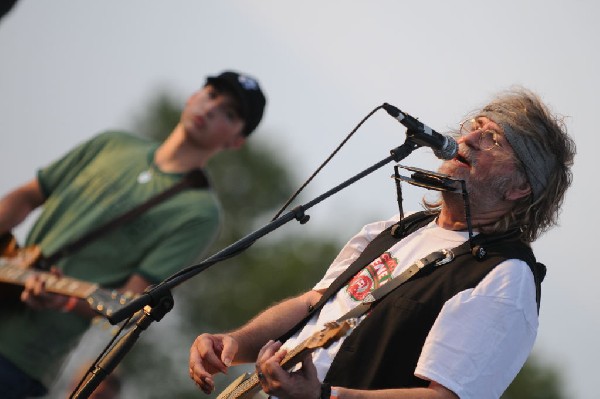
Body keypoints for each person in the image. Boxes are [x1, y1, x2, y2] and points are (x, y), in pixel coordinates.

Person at [189, 87, 575, 399]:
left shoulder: (505, 278)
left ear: (521, 186)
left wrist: (323, 397)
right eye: (473, 126)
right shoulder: (396, 229)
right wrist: (233, 343)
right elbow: (314, 302)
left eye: (493, 139)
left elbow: (445, 398)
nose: (467, 139)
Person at [0, 70, 266, 398]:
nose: (211, 109)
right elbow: (27, 195)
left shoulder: (199, 213)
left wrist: (64, 301)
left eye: (229, 113)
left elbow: (129, 301)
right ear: (192, 97)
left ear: (236, 141)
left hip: (18, 361)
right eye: (211, 95)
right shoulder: (111, 144)